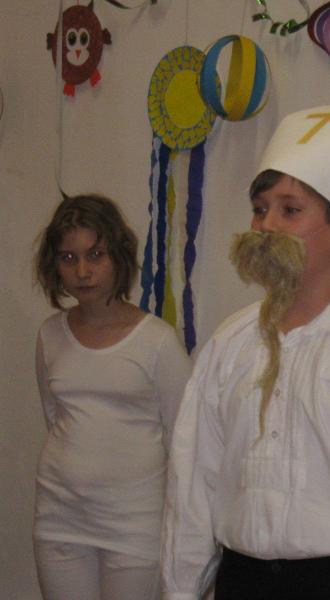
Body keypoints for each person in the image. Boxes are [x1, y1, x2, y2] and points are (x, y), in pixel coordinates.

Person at [161, 101, 330, 600]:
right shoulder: (230, 342)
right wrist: (182, 589)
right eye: (260, 208)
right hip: (242, 581)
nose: (266, 225)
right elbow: (194, 476)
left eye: (290, 210)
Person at [32, 194, 193, 600]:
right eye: (68, 258)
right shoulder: (50, 335)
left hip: (135, 528)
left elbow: (185, 439)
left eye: (95, 255)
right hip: (59, 521)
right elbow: (55, 418)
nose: (82, 271)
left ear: (118, 256)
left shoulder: (158, 341)